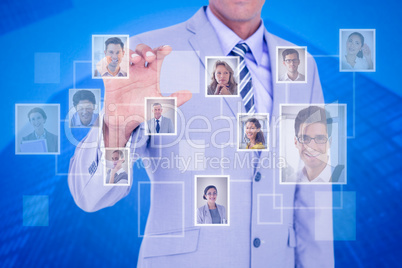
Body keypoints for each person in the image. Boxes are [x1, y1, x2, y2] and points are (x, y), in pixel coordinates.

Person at [69, 1, 334, 267]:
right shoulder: (151, 54)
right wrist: (117, 127)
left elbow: (314, 188)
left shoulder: (304, 66)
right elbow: (90, 196)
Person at [287, 106, 344, 183]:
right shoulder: (290, 181)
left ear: (329, 142)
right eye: (305, 138)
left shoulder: (345, 180)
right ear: (296, 142)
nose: (312, 147)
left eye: (320, 138)